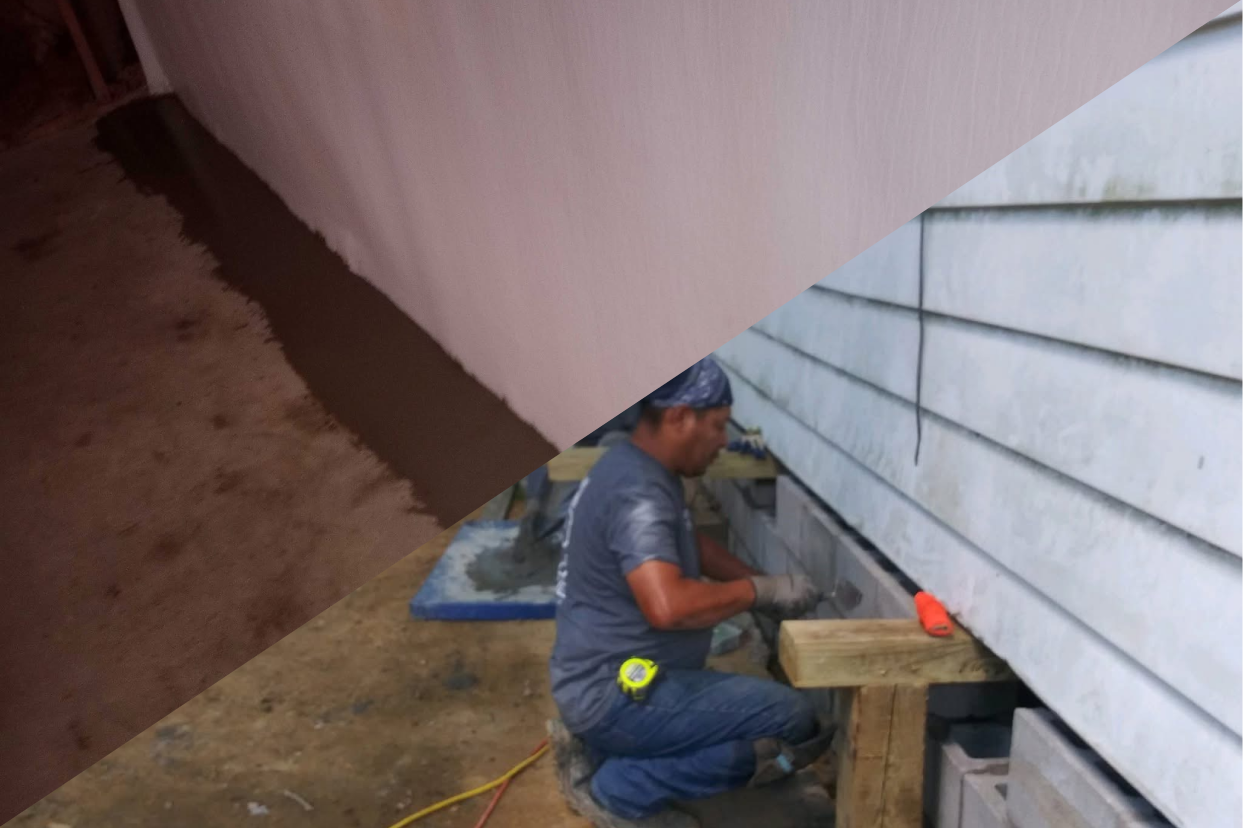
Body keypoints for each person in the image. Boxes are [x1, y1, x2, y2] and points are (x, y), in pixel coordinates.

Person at [547, 357, 831, 828]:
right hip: (614, 694)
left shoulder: (633, 464)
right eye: (717, 426)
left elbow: (683, 543)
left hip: (600, 680)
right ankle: (623, 789)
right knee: (789, 719)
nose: (723, 440)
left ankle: (608, 751)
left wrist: (762, 583)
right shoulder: (638, 493)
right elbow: (668, 607)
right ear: (680, 417)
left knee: (755, 714)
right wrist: (757, 591)